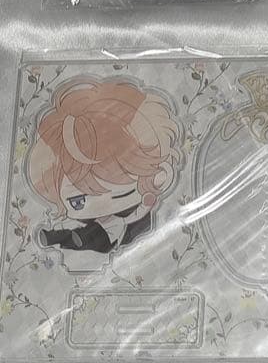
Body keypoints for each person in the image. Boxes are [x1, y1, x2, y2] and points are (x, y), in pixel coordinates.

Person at [29, 78, 182, 254]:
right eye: (77, 201)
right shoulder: (89, 220)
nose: (100, 203)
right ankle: (60, 237)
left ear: (160, 175)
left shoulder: (149, 213)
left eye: (121, 192)